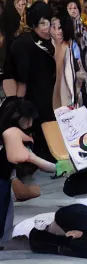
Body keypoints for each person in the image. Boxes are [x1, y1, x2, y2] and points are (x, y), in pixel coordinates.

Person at [3, 1, 57, 162]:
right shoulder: (24, 43)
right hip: (32, 97)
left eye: (49, 21)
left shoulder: (54, 41)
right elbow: (20, 78)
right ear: (33, 24)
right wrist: (19, 105)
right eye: (42, 23)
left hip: (51, 95)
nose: (47, 27)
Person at [2, 98, 56, 248]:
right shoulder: (13, 136)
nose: (31, 124)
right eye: (29, 120)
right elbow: (33, 159)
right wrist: (58, 168)